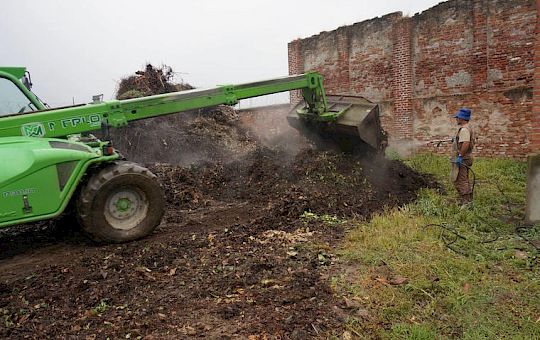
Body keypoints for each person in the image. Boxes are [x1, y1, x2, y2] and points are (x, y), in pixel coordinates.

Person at [451, 108, 475, 205]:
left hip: (463, 159)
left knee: (460, 180)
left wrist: (460, 156)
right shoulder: (467, 128)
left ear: (462, 118)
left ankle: (466, 203)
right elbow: (462, 141)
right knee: (464, 179)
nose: (456, 119)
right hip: (467, 158)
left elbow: (465, 143)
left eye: (458, 117)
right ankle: (465, 199)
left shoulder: (464, 129)